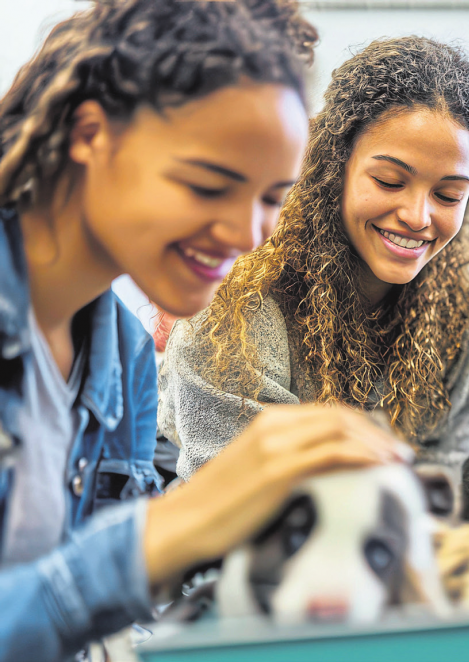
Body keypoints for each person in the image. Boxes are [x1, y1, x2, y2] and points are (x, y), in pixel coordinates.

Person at [0, 1, 406, 659]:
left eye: (272, 196)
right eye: (209, 183)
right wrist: (164, 534)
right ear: (89, 133)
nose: (248, 234)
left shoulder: (123, 355)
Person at [159, 37, 469, 484]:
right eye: (388, 181)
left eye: (447, 195)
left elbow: (450, 466)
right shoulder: (237, 303)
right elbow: (234, 492)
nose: (418, 217)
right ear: (335, 167)